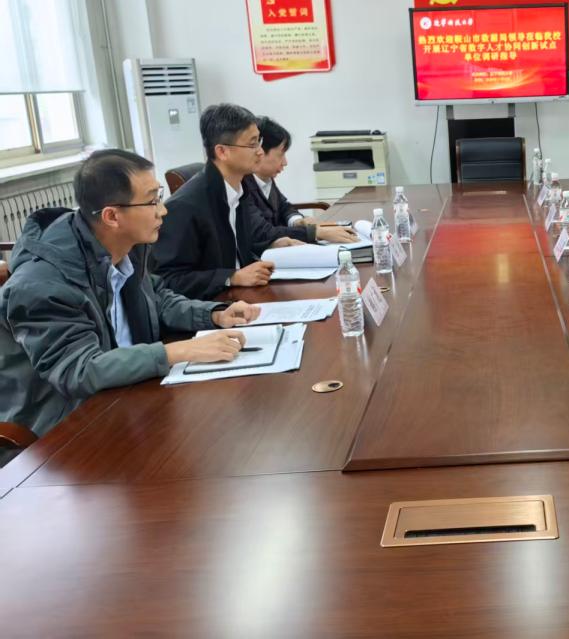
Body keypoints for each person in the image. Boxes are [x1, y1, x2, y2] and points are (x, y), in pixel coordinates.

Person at [0, 150, 259, 464]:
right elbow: (78, 371)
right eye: (152, 201)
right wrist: (178, 351)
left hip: (125, 397)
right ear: (112, 216)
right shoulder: (42, 283)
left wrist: (212, 313)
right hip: (63, 435)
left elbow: (156, 298)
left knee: (226, 435)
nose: (163, 210)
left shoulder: (122, 245)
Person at [152, 103, 299, 300]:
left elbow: (235, 248)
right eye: (252, 144)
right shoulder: (185, 206)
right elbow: (167, 280)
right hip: (214, 306)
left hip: (243, 297)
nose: (260, 151)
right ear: (222, 152)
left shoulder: (239, 189)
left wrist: (271, 246)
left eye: (260, 141)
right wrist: (231, 277)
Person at [244, 116, 358, 245]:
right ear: (260, 152)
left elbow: (284, 207)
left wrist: (297, 221)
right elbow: (263, 232)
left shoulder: (267, 179)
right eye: (281, 155)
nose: (285, 162)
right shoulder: (243, 185)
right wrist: (315, 233)